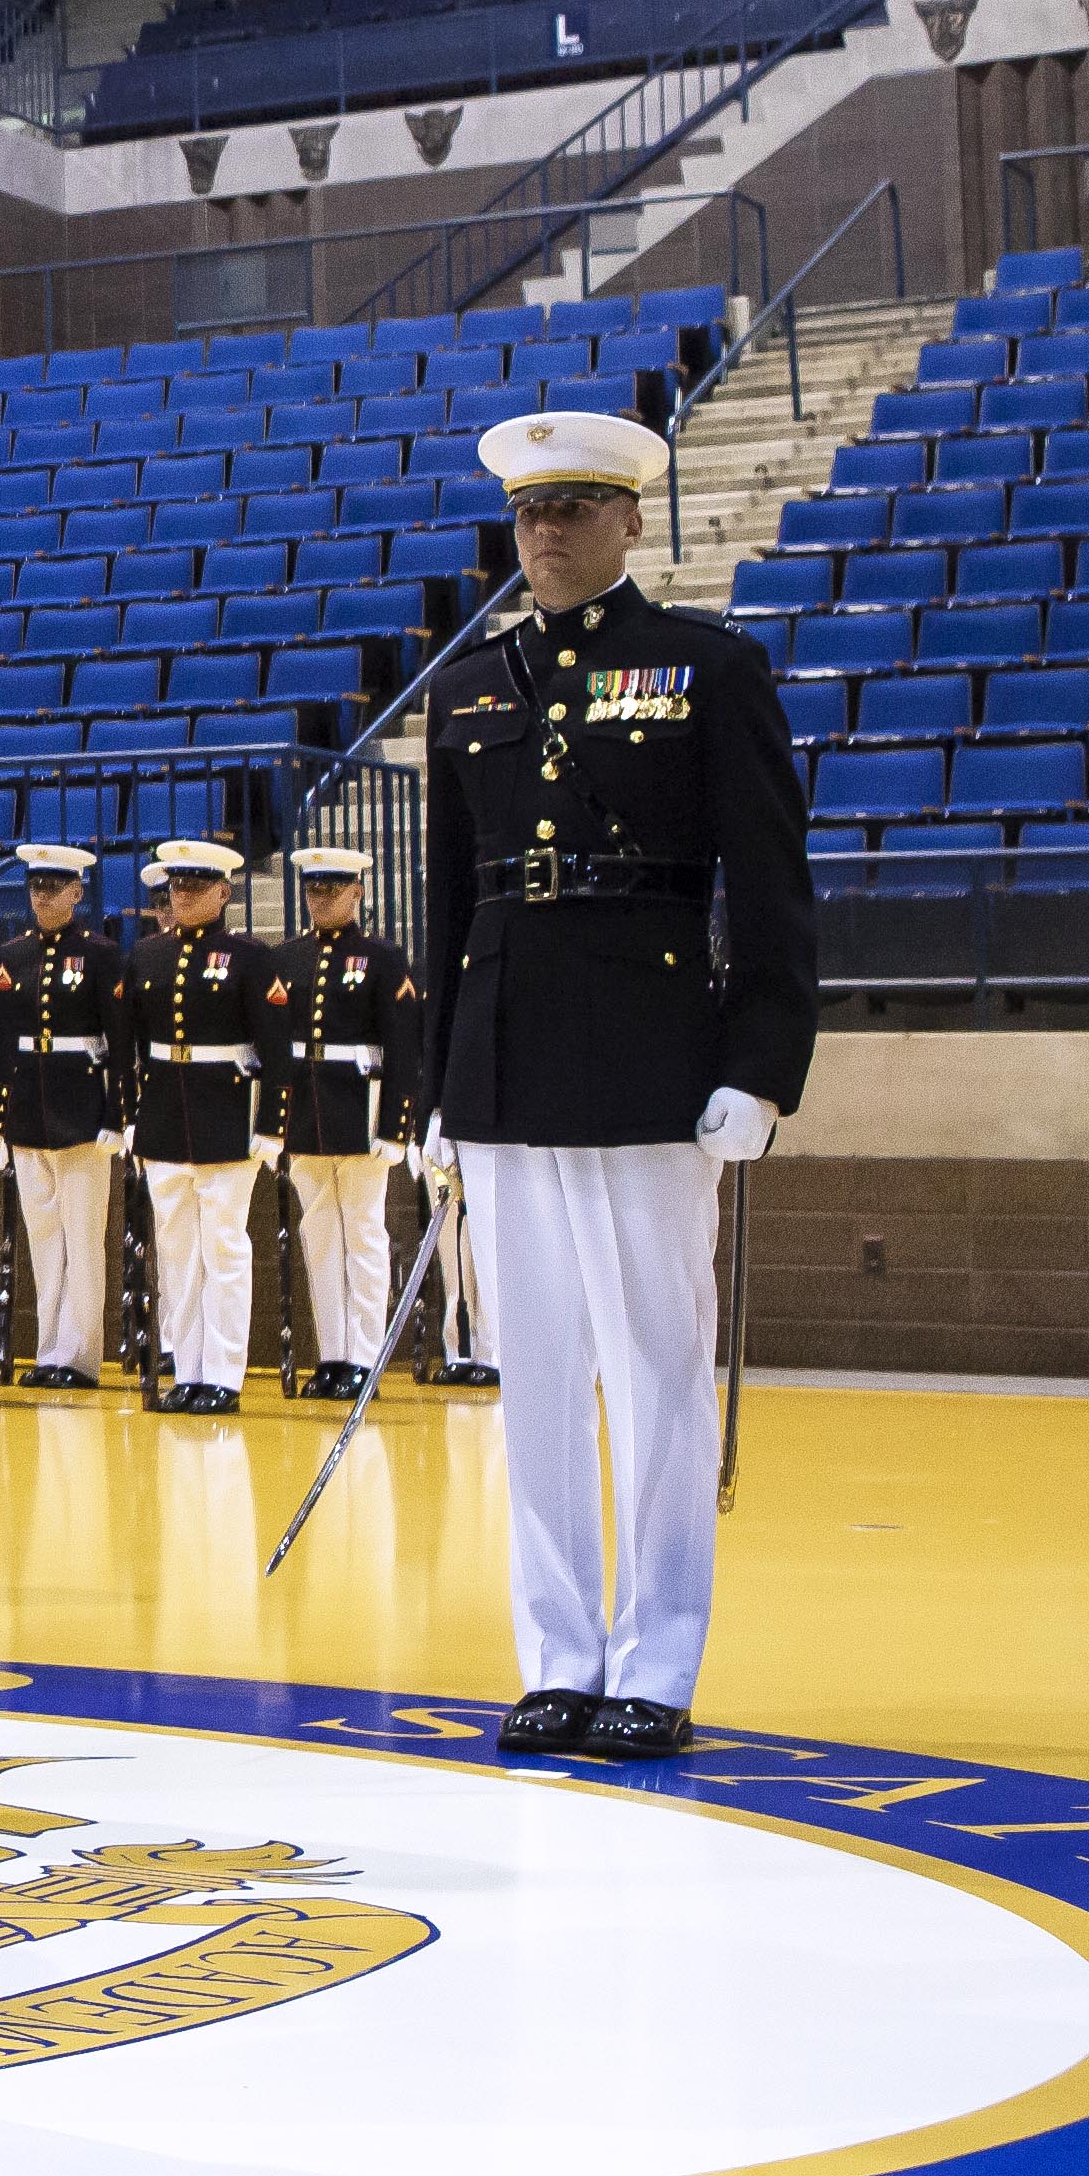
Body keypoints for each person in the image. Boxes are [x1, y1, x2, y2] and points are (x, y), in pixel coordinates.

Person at [419, 406, 814, 1767]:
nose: (551, 530)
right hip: (507, 1059)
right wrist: (437, 1087)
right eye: (533, 510)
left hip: (653, 1061)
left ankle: (654, 1656)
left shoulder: (705, 668)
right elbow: (447, 904)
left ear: (633, 518)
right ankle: (557, 1655)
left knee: (655, 1369)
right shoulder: (471, 687)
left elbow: (768, 886)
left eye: (579, 507)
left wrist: (761, 1066)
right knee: (536, 1373)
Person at [122, 838, 282, 1413]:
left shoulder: (249, 957)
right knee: (178, 1254)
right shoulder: (147, 956)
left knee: (224, 1250)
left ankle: (223, 1375)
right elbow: (133, 1045)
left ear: (223, 892)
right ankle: (186, 1370)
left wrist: (272, 1123)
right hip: (165, 1115)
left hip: (226, 1118)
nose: (182, 896)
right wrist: (131, 1118)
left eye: (195, 887)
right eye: (176, 888)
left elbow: (276, 1048)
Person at [265, 843, 426, 1401]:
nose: (320, 899)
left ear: (357, 892)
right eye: (313, 889)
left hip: (360, 1111)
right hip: (307, 1112)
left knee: (363, 1235)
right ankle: (332, 1355)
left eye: (331, 890)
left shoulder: (383, 958)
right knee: (319, 1235)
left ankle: (365, 1358)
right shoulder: (286, 958)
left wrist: (396, 1127)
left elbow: (403, 1047)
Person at [0, 844, 126, 1391]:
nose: (43, 898)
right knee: (44, 1237)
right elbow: (2, 1044)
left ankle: (81, 1356)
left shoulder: (101, 955)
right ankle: (50, 1351)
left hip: (81, 1113)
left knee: (83, 1240)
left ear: (77, 893)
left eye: (54, 888)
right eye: (36, 888)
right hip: (28, 1113)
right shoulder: (13, 955)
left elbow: (119, 1041)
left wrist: (118, 1114)